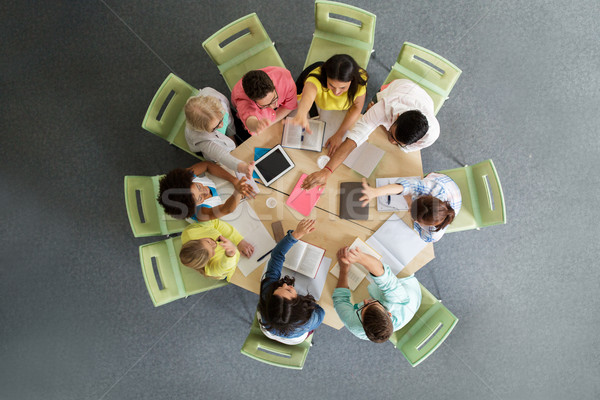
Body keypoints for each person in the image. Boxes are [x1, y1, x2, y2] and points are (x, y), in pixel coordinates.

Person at [301, 79, 440, 190]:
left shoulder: (431, 136)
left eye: (397, 142)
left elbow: (404, 148)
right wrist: (327, 171)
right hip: (398, 87)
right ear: (396, 116)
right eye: (392, 135)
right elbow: (352, 140)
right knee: (370, 110)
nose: (391, 142)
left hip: (424, 101)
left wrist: (386, 130)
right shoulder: (384, 107)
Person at [332, 247, 422, 343]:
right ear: (389, 313)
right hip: (404, 283)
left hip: (399, 295)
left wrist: (344, 269)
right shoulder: (398, 300)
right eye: (372, 303)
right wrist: (361, 258)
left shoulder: (355, 327)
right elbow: (384, 277)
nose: (365, 301)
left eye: (363, 308)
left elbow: (339, 300)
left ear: (361, 322)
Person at [258, 219, 325, 344]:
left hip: (269, 330)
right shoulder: (308, 320)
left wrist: (296, 235)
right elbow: (320, 311)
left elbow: (277, 256)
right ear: (298, 305)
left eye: (279, 289)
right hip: (295, 338)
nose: (284, 284)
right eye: (289, 290)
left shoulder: (267, 292)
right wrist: (307, 303)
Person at [288, 54, 368, 156]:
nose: (336, 92)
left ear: (352, 81)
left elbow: (357, 107)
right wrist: (302, 114)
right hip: (318, 105)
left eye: (342, 87)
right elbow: (308, 96)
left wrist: (339, 135)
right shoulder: (315, 79)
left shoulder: (359, 82)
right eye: (331, 85)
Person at [359, 173, 461, 243]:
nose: (408, 211)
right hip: (442, 181)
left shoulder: (432, 235)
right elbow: (406, 184)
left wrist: (409, 203)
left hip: (452, 194)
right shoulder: (433, 188)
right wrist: (376, 192)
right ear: (424, 196)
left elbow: (422, 234)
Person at [184, 88, 254, 178]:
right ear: (203, 130)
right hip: (208, 147)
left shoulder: (218, 99)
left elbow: (229, 120)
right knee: (220, 163)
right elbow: (221, 156)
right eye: (215, 127)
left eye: (221, 118)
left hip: (214, 128)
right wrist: (243, 167)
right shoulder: (201, 139)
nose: (221, 125)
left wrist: (233, 140)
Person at [156, 161, 255, 222]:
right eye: (200, 198)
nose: (205, 191)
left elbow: (207, 165)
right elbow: (226, 210)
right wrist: (237, 192)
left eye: (199, 187)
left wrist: (234, 180)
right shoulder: (201, 213)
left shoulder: (187, 177)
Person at [179, 219, 254, 281]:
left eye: (208, 241)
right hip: (234, 269)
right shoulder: (212, 269)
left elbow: (214, 223)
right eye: (212, 251)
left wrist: (239, 241)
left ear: (196, 239)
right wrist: (230, 255)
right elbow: (225, 267)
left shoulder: (191, 231)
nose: (214, 244)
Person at [231, 67, 297, 136]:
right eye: (265, 106)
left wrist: (270, 123)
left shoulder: (284, 78)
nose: (272, 106)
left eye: (274, 99)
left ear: (273, 84)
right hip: (240, 97)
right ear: (253, 101)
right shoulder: (244, 102)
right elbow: (249, 120)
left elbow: (290, 106)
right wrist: (257, 125)